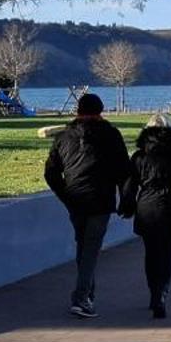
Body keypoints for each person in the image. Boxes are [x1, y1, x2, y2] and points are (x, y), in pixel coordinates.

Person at [43, 93, 131, 319]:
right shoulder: (111, 135)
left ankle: (88, 294)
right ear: (101, 111)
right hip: (101, 199)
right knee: (90, 248)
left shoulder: (63, 137)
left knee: (83, 245)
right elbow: (124, 171)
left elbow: (51, 172)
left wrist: (66, 195)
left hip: (75, 200)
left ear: (78, 111)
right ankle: (81, 297)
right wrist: (126, 199)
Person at [125, 114, 171, 320]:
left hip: (147, 208)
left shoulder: (139, 157)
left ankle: (153, 293)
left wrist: (126, 206)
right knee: (168, 253)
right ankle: (162, 294)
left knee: (151, 253)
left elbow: (130, 186)